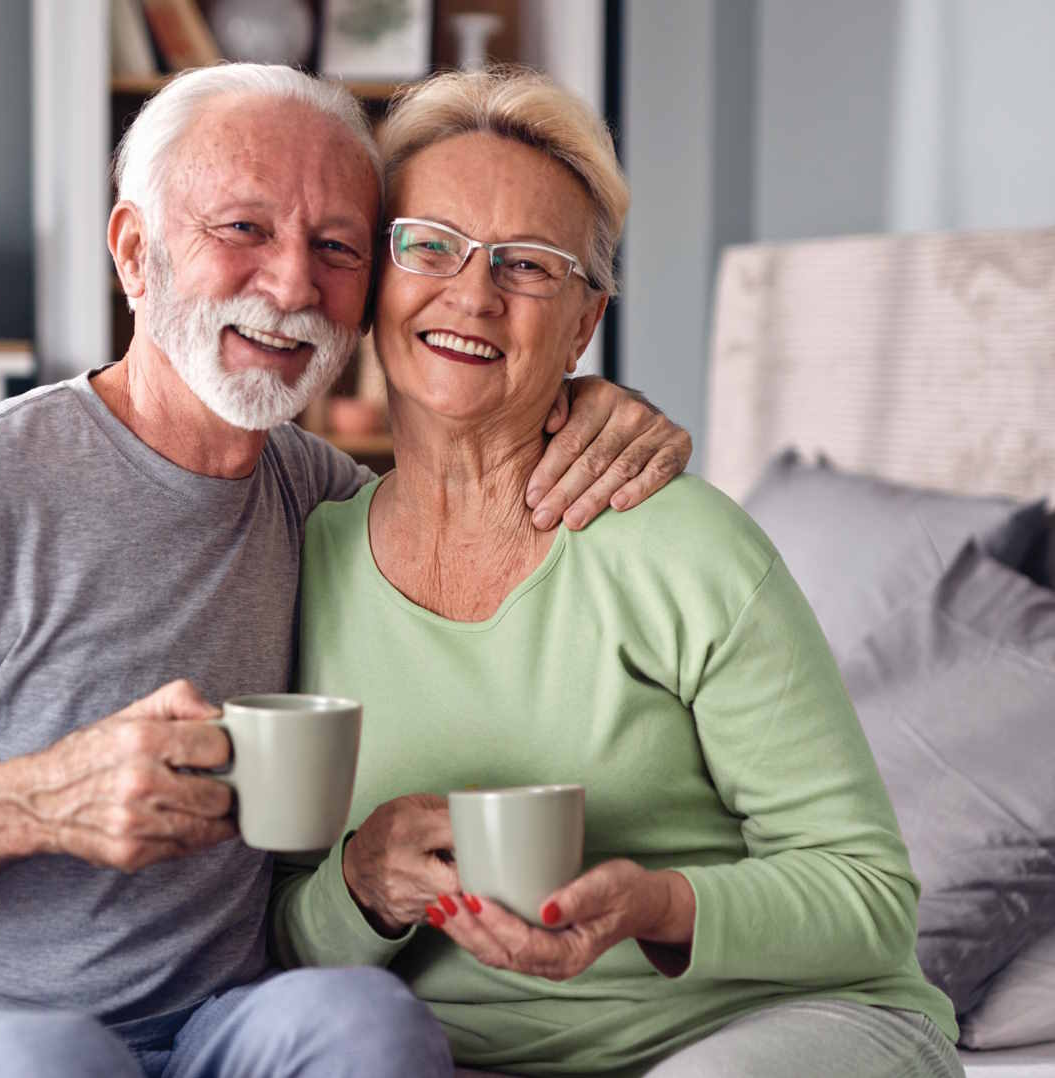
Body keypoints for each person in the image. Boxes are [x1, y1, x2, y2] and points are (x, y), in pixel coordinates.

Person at [0, 65, 692, 1078]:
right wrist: (31, 800)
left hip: (209, 1029)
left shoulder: (327, 502)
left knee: (371, 1026)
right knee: (52, 1065)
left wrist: (594, 405)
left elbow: (483, 476)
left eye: (336, 247)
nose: (294, 284)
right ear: (137, 252)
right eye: (244, 230)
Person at [274, 68, 964, 1077]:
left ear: (584, 321)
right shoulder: (301, 561)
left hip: (761, 1034)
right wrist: (359, 885)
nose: (472, 292)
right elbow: (274, 939)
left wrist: (657, 902)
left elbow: (867, 894)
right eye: (430, 245)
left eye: (529, 266)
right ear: (376, 276)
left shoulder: (682, 546)